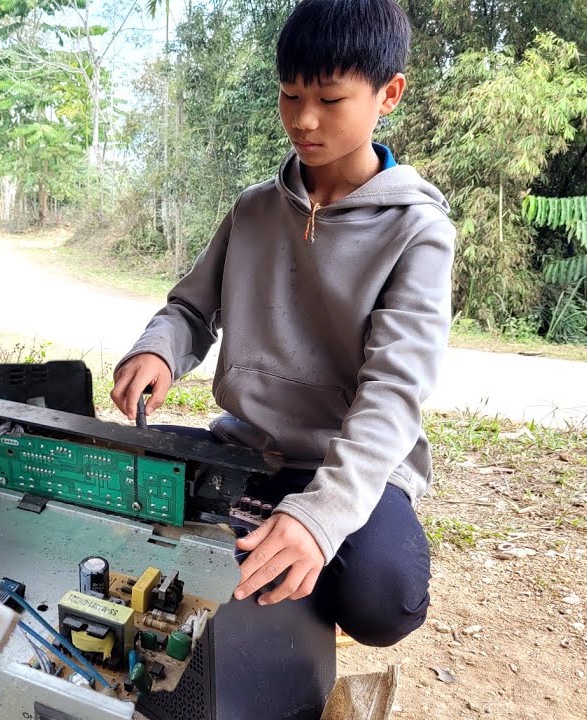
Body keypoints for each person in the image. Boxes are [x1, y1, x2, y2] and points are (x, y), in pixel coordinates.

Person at [110, 0, 454, 649]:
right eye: (290, 95)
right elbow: (188, 311)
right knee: (111, 515)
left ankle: (299, 547)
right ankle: (272, 542)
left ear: (390, 94)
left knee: (385, 599)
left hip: (350, 464)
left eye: (329, 98)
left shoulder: (418, 232)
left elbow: (393, 393)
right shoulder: (254, 211)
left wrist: (321, 518)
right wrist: (157, 352)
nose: (304, 119)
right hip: (245, 449)